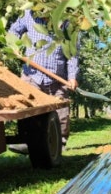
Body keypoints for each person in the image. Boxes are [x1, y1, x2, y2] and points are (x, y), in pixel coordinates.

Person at [7, 9, 80, 153]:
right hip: (32, 75)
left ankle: (59, 144)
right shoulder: (28, 15)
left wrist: (72, 76)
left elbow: (72, 53)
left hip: (58, 78)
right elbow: (13, 31)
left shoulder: (68, 22)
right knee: (27, 109)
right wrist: (14, 46)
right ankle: (27, 142)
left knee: (60, 112)